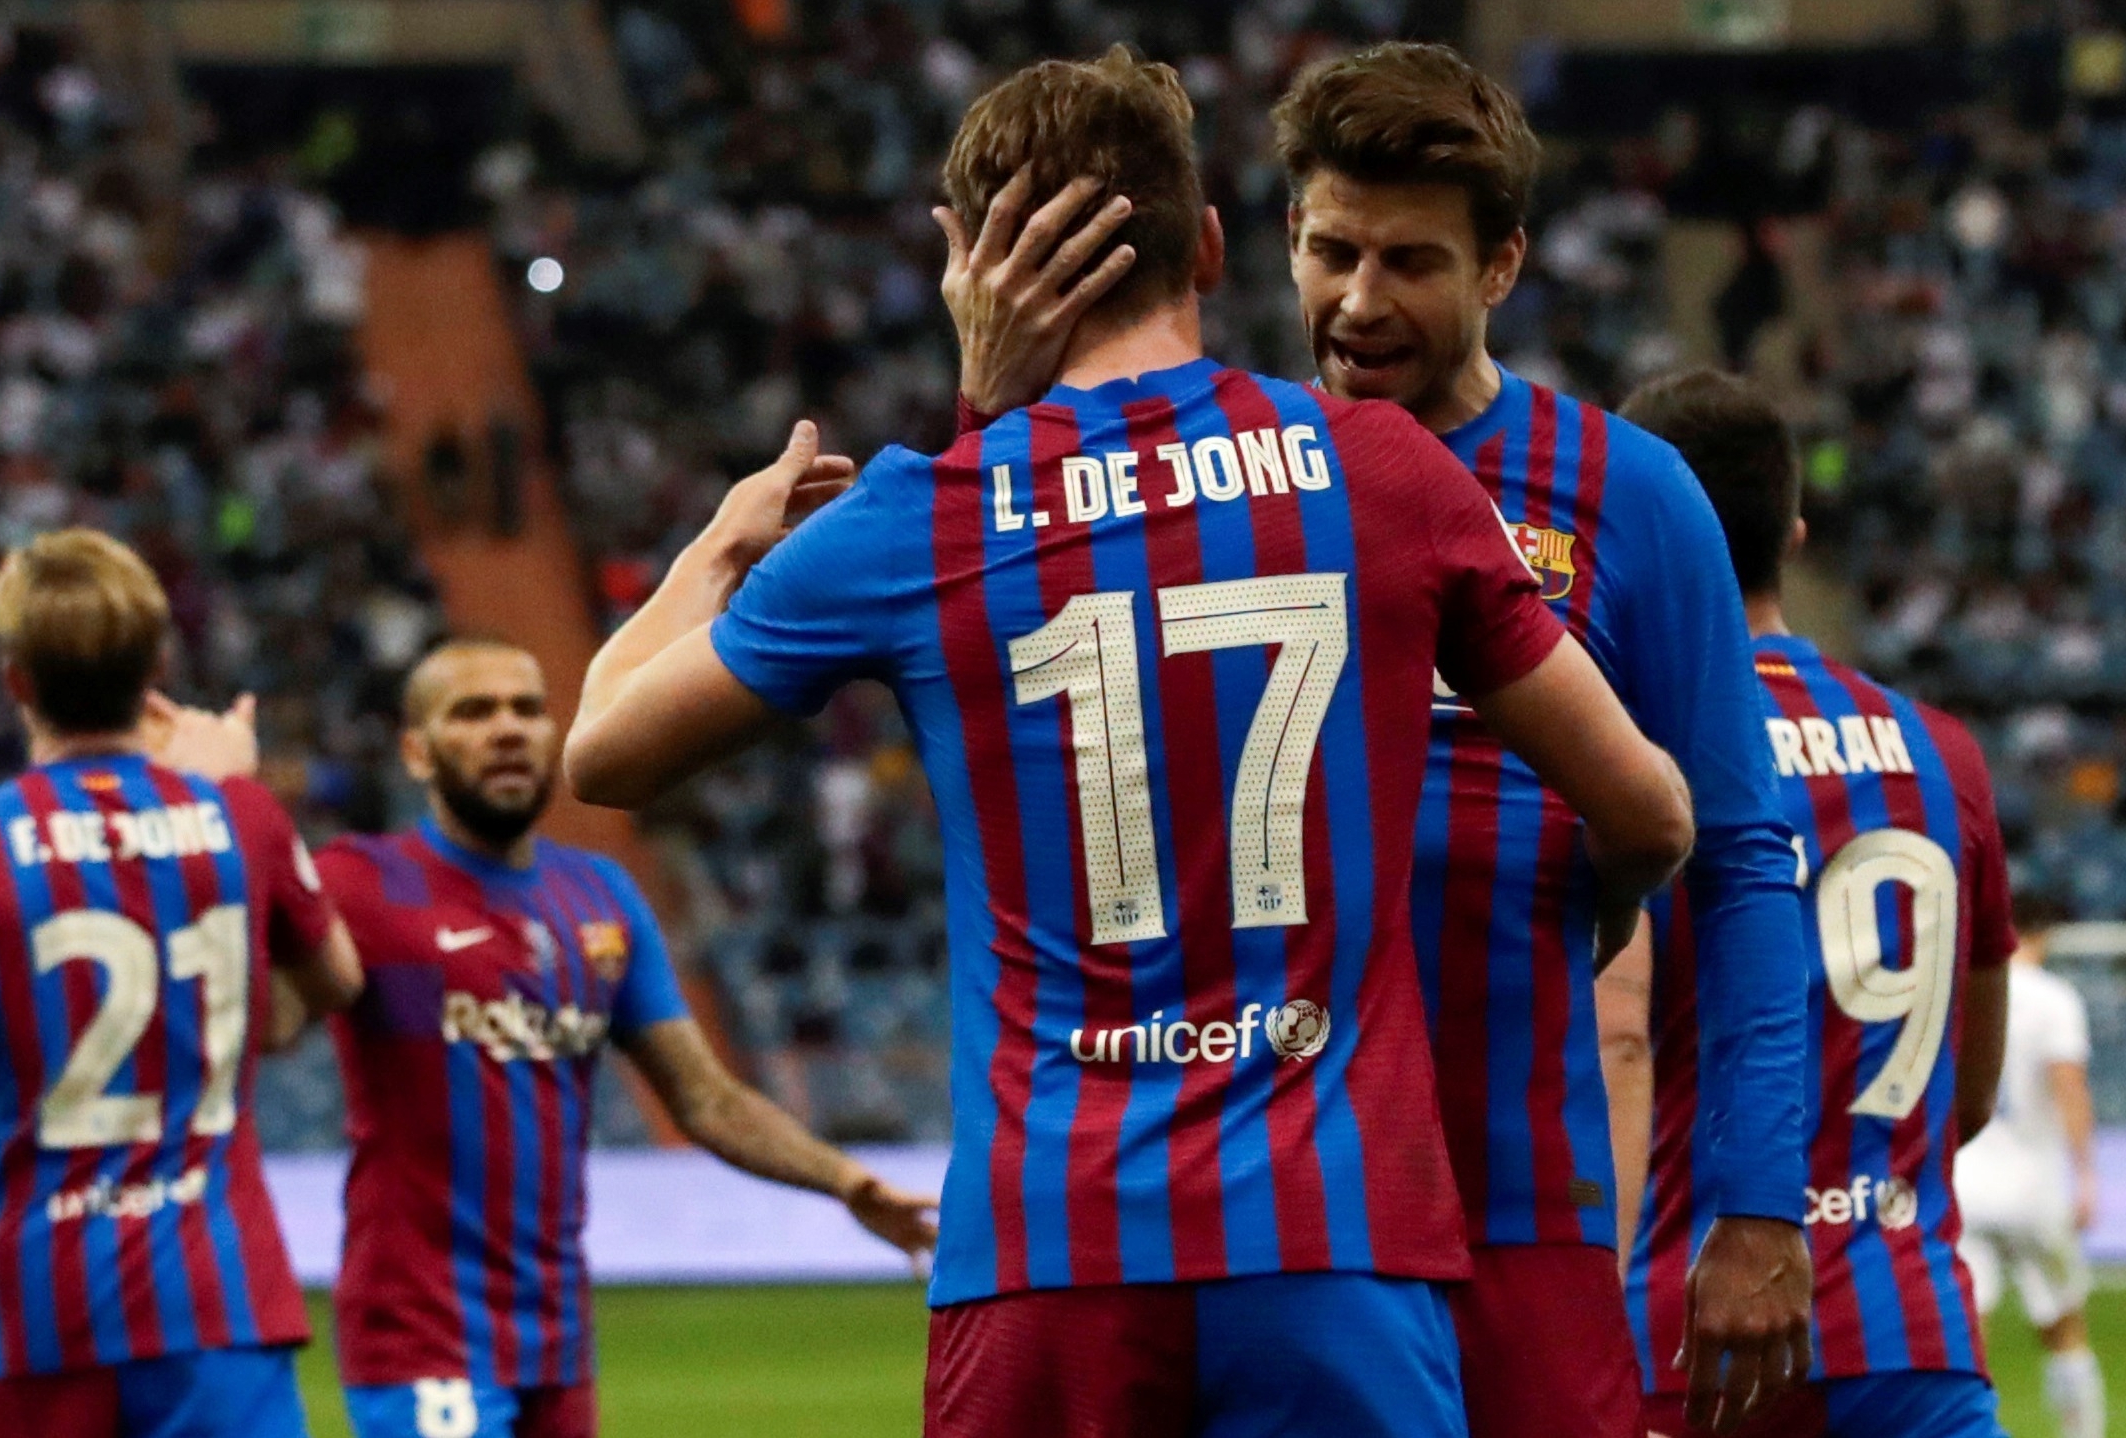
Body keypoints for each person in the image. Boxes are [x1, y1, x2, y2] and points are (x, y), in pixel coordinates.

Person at [565, 47, 1696, 1438]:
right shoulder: (1384, 470)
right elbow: (1651, 811)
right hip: (1331, 1238)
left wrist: (723, 546)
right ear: (1214, 242)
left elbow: (603, 749)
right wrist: (1606, 914)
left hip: (1050, 1249)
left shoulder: (924, 517)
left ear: (965, 262)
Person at [938, 42, 1814, 1438]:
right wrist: (996, 411)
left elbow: (1747, 860)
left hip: (1513, 1197)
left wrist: (1758, 1197)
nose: (1359, 301)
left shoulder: (1629, 498)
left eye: (1412, 261)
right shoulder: (1190, 467)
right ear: (1277, 237)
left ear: (1505, 265)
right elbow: (999, 637)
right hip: (1246, 1219)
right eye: (1331, 249)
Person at [319, 638, 938, 1438]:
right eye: (473, 712)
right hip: (419, 1332)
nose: (508, 730)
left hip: (557, 1337)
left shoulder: (598, 897)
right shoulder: (359, 884)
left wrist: (847, 1181)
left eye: (527, 709)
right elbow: (264, 1016)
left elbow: (707, 1098)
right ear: (415, 751)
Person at [0, 528, 365, 1438]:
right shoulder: (240, 815)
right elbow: (336, 978)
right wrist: (223, 800)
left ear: (15, 678)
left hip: (33, 1308)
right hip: (217, 1293)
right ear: (157, 667)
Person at [1612, 369, 2015, 1438]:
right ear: (1791, 531)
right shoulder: (1944, 755)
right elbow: (1966, 1094)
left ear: (1636, 539)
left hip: (1683, 1332)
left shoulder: (1621, 754)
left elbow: (1607, 1050)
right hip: (1908, 1339)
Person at [1954, 906, 2105, 1438]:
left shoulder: (1963, 990)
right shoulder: (2053, 997)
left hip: (1964, 1182)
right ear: (2046, 932)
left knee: (1970, 1331)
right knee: (2063, 1326)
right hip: (2033, 1187)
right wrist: (2086, 1174)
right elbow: (2068, 1084)